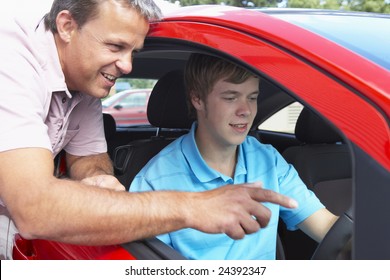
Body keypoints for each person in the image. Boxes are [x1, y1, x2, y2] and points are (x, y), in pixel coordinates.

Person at [0, 0, 297, 260]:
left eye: (133, 51)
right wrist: (192, 207)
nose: (127, 65)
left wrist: (100, 180)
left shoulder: (86, 81)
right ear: (66, 26)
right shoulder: (11, 61)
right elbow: (34, 207)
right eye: (116, 46)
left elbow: (87, 158)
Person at [130, 53, 339, 260]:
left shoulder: (268, 160)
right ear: (197, 99)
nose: (246, 110)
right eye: (231, 98)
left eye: (253, 97)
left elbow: (325, 226)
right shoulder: (153, 181)